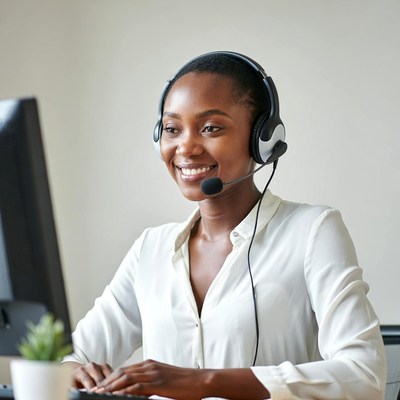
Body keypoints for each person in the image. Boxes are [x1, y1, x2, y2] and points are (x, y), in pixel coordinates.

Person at [63, 51, 386, 399]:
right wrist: (77, 371)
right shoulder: (151, 248)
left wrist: (201, 382)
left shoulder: (311, 231)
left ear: (262, 139)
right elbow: (70, 357)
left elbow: (363, 374)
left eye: (211, 128)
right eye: (172, 129)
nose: (185, 146)